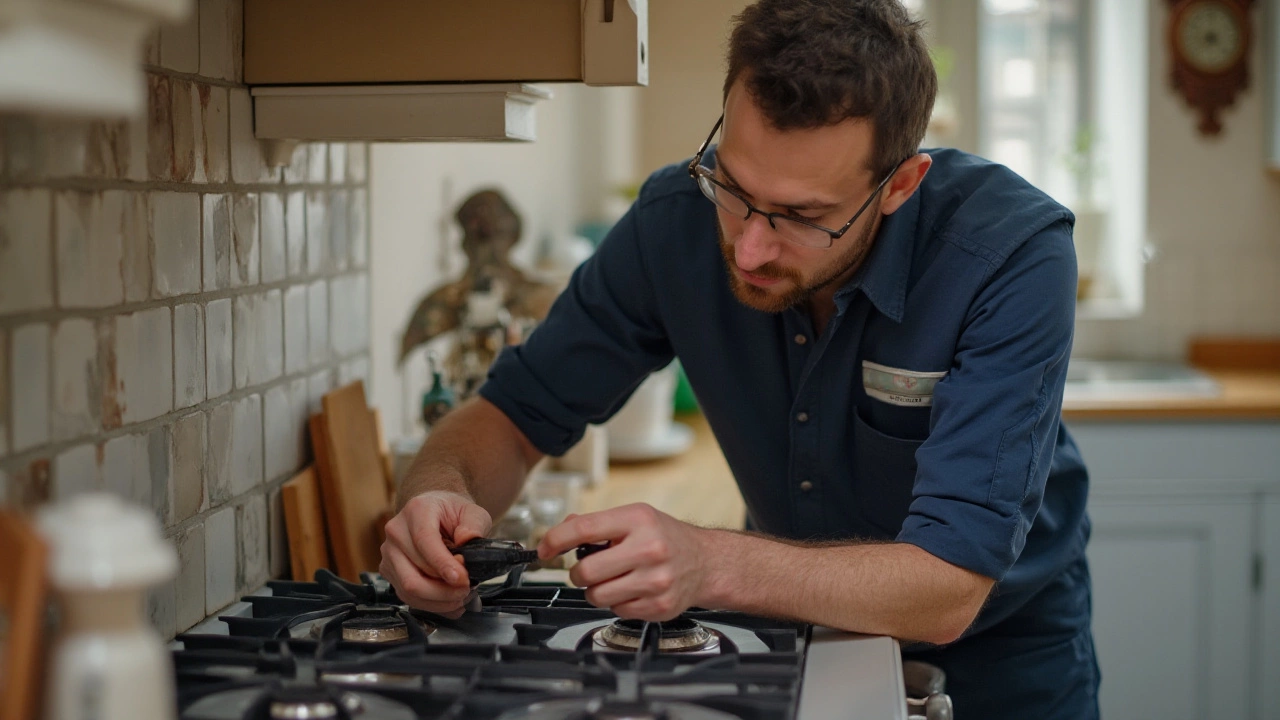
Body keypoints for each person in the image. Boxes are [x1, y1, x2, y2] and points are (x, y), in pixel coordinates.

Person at [380, 0, 1099, 717]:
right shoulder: (672, 223)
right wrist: (435, 495)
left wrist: (711, 561)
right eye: (733, 186)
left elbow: (949, 587)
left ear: (900, 186)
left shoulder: (1011, 256)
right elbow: (512, 416)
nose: (749, 248)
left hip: (1000, 660)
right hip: (785, 632)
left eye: (802, 216)